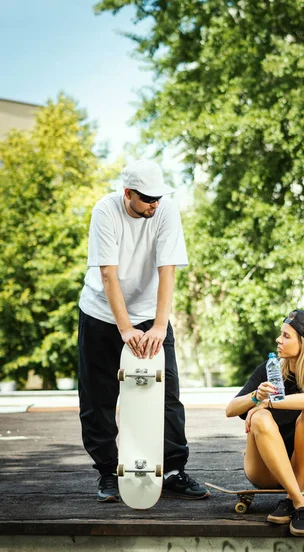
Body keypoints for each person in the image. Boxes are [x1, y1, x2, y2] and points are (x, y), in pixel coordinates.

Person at [78, 159, 209, 502]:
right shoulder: (105, 211)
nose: (154, 203)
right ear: (128, 194)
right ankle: (108, 472)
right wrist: (125, 329)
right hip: (102, 313)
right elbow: (108, 273)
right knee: (99, 398)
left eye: (158, 197)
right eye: (147, 198)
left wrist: (160, 325)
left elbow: (168, 270)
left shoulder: (165, 211)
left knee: (167, 394)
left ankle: (175, 470)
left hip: (152, 314)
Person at [226, 309, 304, 536]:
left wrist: (270, 403)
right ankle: (299, 502)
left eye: (286, 336)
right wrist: (256, 397)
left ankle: (291, 498)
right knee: (259, 417)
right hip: (266, 471)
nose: (278, 339)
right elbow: (231, 409)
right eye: (281, 334)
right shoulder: (269, 370)